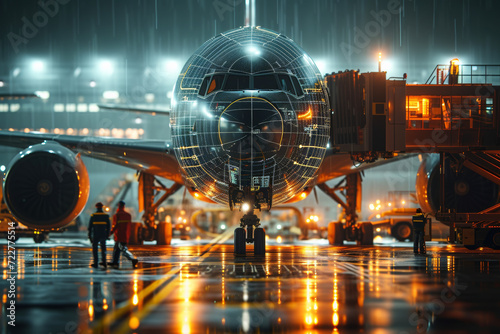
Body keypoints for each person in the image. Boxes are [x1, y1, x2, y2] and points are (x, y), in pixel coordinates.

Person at [110, 201, 138, 268]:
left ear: (119, 206)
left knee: (122, 250)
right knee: (117, 250)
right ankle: (115, 262)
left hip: (119, 236)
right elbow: (129, 227)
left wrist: (110, 233)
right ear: (124, 206)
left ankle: (133, 259)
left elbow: (115, 226)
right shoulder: (128, 215)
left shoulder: (117, 215)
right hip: (125, 236)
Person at [88, 202, 111, 268]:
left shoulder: (93, 215)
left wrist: (89, 236)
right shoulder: (106, 216)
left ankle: (95, 263)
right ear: (102, 207)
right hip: (103, 235)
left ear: (96, 207)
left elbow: (90, 227)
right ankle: (104, 262)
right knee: (103, 249)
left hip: (96, 235)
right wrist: (107, 235)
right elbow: (108, 227)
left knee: (95, 249)